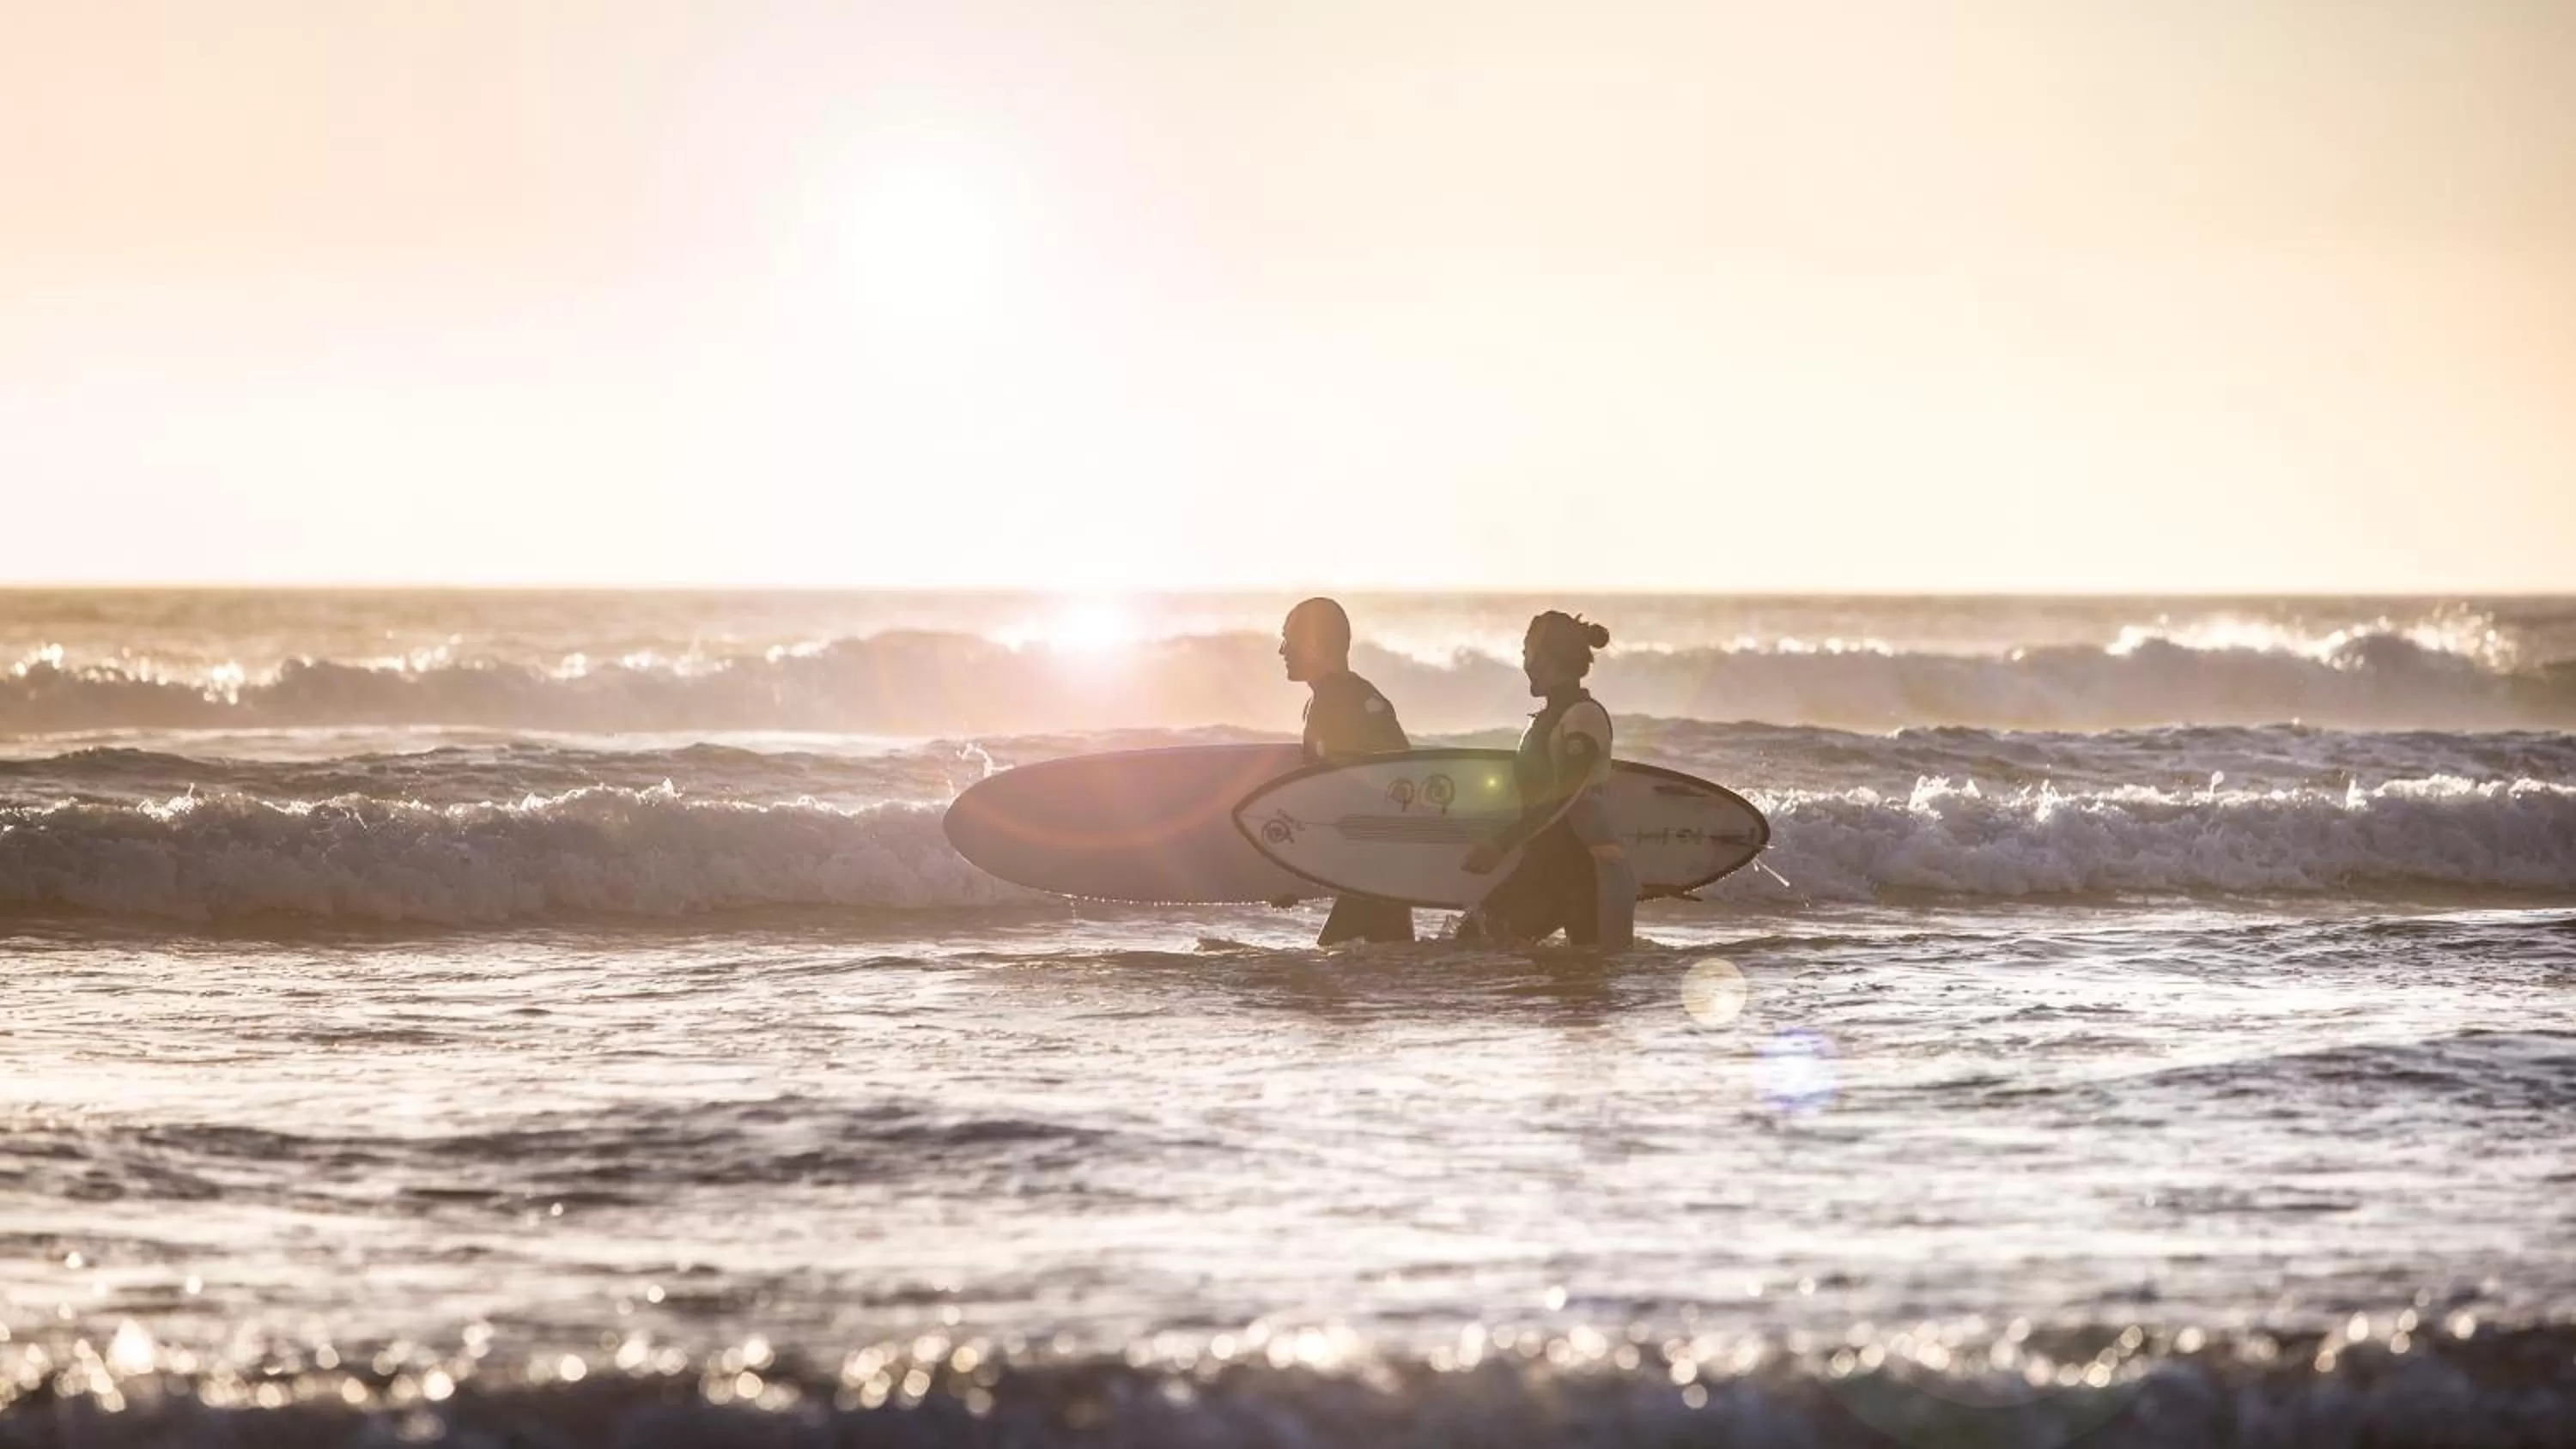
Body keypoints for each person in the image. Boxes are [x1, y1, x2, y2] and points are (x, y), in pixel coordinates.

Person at [1458, 610, 1635, 949]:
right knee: (1475, 940)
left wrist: (1501, 843)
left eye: (1527, 653)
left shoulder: (1583, 716)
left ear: (1544, 659)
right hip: (1544, 867)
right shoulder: (1544, 720)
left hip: (1588, 875)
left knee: (1587, 988)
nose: (1524, 664)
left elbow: (1564, 795)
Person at [1278, 597, 1414, 945]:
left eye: (1289, 640)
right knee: (1392, 961)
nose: (1282, 651)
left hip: (1377, 864)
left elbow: (1395, 781)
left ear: (1314, 644)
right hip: (1375, 864)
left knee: (1331, 962)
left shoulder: (1346, 700)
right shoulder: (1328, 698)